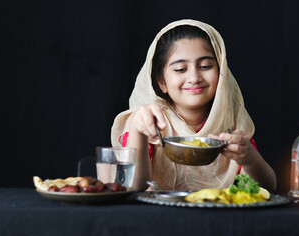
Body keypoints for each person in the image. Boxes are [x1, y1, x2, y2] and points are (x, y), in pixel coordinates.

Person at [111, 19, 276, 192]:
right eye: (181, 69)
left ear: (221, 73)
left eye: (205, 66)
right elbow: (132, 187)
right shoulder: (148, 121)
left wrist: (249, 158)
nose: (194, 77)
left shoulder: (231, 123)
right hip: (159, 217)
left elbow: (267, 187)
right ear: (161, 82)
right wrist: (138, 129)